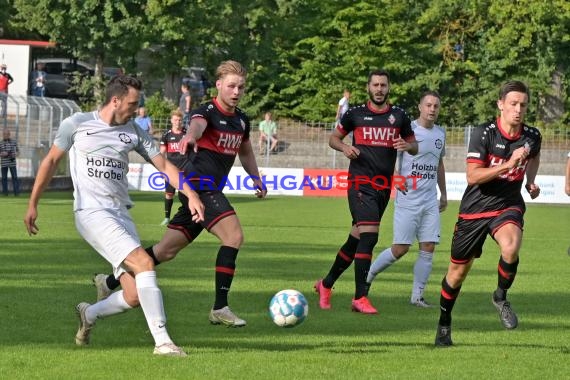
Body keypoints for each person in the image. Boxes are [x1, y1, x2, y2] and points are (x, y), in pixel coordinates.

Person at [23, 75, 205, 357]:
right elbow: (50, 161)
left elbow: (165, 165)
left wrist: (191, 194)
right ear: (115, 100)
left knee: (133, 295)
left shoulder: (134, 131)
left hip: (120, 214)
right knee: (145, 262)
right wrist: (33, 204)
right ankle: (163, 342)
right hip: (91, 212)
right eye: (133, 103)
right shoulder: (77, 123)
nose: (136, 109)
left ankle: (89, 313)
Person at [93, 60, 266, 327]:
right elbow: (196, 126)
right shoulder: (205, 111)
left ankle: (109, 281)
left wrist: (256, 178)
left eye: (241, 87)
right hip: (199, 185)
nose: (236, 91)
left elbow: (245, 151)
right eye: (231, 86)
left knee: (166, 250)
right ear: (219, 85)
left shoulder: (242, 120)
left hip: (207, 190)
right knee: (233, 235)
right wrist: (192, 137)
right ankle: (220, 307)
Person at [434, 80, 542, 347]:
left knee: (511, 246)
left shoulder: (532, 136)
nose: (518, 109)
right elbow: (473, 176)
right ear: (501, 105)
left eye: (523, 105)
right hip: (474, 210)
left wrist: (530, 181)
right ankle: (444, 323)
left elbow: (534, 155)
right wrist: (508, 164)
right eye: (513, 104)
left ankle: (500, 296)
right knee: (457, 273)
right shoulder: (484, 133)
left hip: (508, 204)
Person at [314, 69, 418, 314]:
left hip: (383, 186)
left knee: (356, 240)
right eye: (375, 85)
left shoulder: (399, 115)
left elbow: (414, 146)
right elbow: (333, 139)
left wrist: (408, 146)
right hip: (360, 184)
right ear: (368, 87)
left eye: (383, 85)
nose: (379, 89)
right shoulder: (355, 114)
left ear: (388, 87)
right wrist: (344, 147)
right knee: (370, 236)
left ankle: (325, 284)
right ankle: (360, 297)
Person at [367, 91, 447, 308]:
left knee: (429, 246)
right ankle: (368, 277)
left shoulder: (440, 134)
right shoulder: (406, 130)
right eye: (428, 105)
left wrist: (444, 194)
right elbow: (390, 157)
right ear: (420, 107)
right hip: (408, 198)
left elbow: (439, 164)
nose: (432, 109)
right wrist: (397, 178)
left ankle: (417, 297)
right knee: (400, 248)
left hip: (430, 199)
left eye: (436, 106)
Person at [159, 109, 186, 226]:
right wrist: (161, 168)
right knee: (169, 194)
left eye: (180, 120)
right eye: (175, 120)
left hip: (185, 169)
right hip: (170, 170)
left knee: (185, 193)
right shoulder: (166, 135)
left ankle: (187, 217)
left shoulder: (187, 134)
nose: (178, 122)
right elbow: (162, 153)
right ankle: (167, 218)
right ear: (171, 121)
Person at [0, 129, 20, 196]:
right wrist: (2, 154)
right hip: (4, 163)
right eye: (4, 134)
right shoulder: (0, 143)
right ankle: (5, 193)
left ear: (9, 134)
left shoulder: (14, 142)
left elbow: (18, 151)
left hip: (12, 162)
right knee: (4, 178)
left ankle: (16, 193)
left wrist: (15, 154)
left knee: (15, 177)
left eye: (6, 134)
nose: (4, 135)